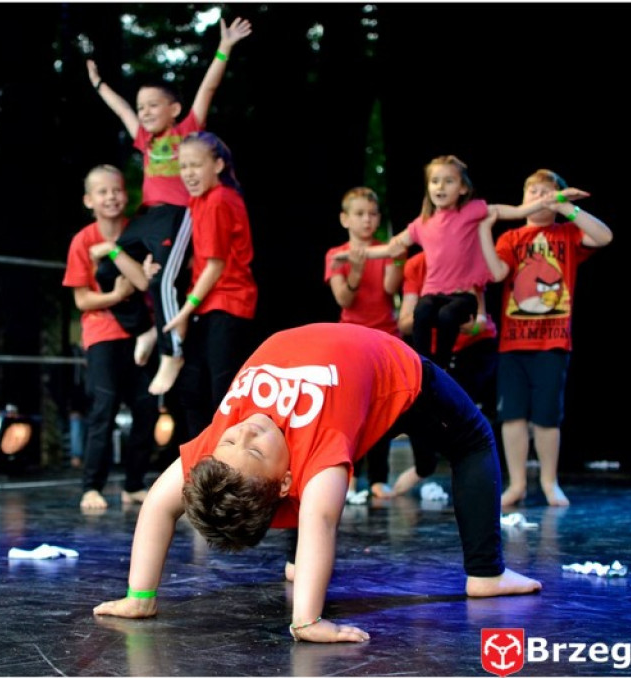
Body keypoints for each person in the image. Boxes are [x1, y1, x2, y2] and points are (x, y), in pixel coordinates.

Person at [93, 323, 541, 643]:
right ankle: (486, 575)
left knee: (461, 438)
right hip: (394, 375)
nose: (248, 429)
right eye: (253, 449)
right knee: (474, 440)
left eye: (233, 437)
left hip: (366, 353)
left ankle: (298, 566)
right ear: (290, 479)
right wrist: (306, 621)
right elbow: (321, 520)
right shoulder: (319, 457)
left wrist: (140, 596)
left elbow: (157, 505)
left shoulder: (220, 443)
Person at [86, 16, 253, 396]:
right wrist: (98, 84)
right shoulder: (144, 138)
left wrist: (224, 46)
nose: (143, 111)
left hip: (178, 217)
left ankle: (171, 350)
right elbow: (121, 111)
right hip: (148, 216)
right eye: (141, 106)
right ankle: (143, 328)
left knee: (163, 279)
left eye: (153, 105)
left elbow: (208, 87)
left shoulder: (187, 131)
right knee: (107, 266)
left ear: (175, 109)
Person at [335, 155, 556, 372]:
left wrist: (546, 201)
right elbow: (391, 248)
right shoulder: (422, 224)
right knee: (422, 310)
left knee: (447, 316)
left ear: (462, 189)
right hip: (434, 293)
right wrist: (351, 255)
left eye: (448, 181)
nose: (440, 186)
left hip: (463, 294)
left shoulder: (470, 212)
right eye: (434, 181)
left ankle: (440, 365)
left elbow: (514, 211)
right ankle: (422, 365)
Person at [478, 169, 612, 507]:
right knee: (512, 416)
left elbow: (604, 236)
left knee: (547, 417)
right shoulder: (511, 238)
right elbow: (496, 273)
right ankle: (517, 483)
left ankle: (550, 482)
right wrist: (484, 229)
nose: (539, 196)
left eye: (546, 192)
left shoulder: (566, 233)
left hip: (552, 342)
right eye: (532, 191)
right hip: (513, 343)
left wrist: (566, 207)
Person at [63, 165, 160, 510]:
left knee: (147, 407)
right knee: (103, 408)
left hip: (140, 332)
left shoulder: (138, 232)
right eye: (102, 192)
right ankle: (92, 487)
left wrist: (116, 253)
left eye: (116, 190)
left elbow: (144, 283)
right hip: (102, 334)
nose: (111, 197)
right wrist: (115, 297)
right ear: (89, 200)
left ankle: (134, 484)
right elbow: (82, 300)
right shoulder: (82, 240)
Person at [162, 131, 257, 444]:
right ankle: (200, 464)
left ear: (217, 165)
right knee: (192, 388)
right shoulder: (200, 200)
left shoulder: (218, 200)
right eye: (183, 166)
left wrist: (184, 311)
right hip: (211, 303)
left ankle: (227, 469)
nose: (188, 173)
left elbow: (215, 266)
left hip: (227, 302)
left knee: (221, 390)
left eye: (196, 165)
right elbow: (203, 257)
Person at [390, 251, 500, 496]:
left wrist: (461, 322)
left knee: (462, 410)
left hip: (473, 348)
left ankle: (474, 474)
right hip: (433, 353)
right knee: (418, 404)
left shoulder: (467, 260)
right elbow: (405, 322)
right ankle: (424, 466)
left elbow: (479, 320)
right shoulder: (417, 266)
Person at [323, 186, 404, 499]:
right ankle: (350, 476)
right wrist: (355, 268)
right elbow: (344, 298)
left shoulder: (385, 250)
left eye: (372, 214)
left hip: (386, 339)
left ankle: (379, 478)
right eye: (359, 214)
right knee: (349, 412)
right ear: (345, 219)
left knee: (381, 411)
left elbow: (389, 289)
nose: (367, 220)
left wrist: (397, 260)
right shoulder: (335, 254)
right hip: (351, 340)